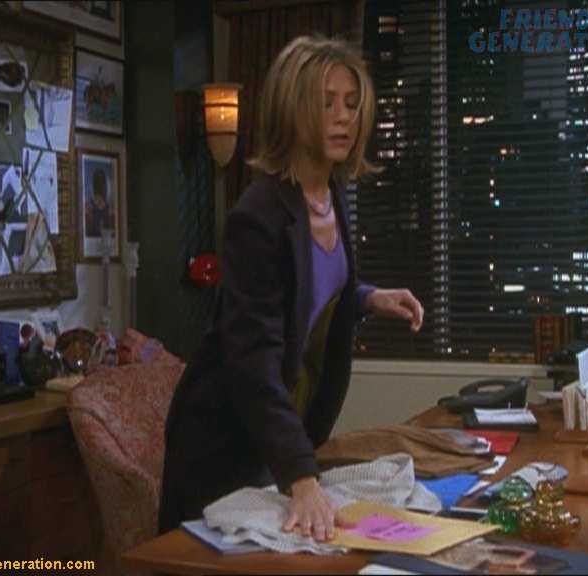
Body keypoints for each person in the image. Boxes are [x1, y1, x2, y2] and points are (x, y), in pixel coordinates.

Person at [159, 35, 424, 542]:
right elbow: (253, 358)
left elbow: (304, 284)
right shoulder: (257, 215)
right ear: (292, 109)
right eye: (326, 104)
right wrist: (301, 477)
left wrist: (365, 297)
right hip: (223, 440)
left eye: (351, 104)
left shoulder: (331, 194)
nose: (344, 118)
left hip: (278, 435)